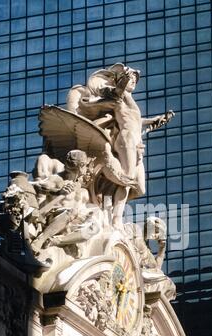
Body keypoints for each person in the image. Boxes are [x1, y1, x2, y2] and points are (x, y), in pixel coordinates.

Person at [66, 63, 174, 228]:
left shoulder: (129, 100)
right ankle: (116, 219)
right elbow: (103, 102)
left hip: (136, 143)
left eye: (135, 80)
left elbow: (135, 120)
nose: (133, 82)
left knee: (140, 188)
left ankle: (108, 199)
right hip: (126, 140)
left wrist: (154, 120)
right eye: (131, 79)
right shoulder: (116, 98)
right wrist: (119, 83)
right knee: (128, 180)